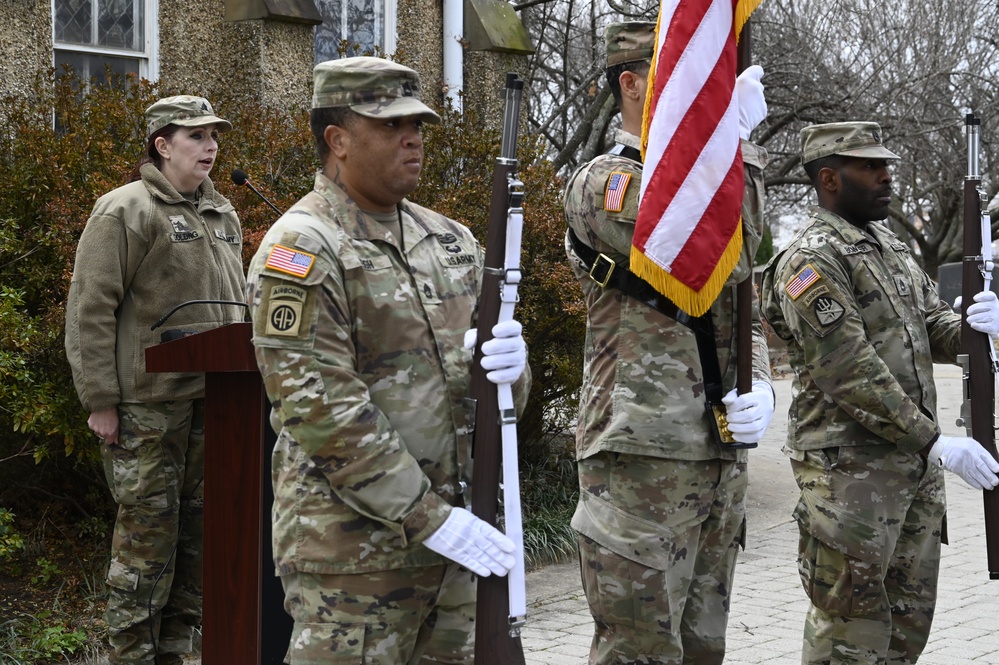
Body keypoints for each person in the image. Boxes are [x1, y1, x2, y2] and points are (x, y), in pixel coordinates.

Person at [245, 56, 530, 665]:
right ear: (338, 140)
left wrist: (513, 371)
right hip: (355, 560)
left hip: (461, 547)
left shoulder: (450, 239)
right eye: (391, 124)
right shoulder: (302, 248)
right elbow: (320, 407)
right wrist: (430, 518)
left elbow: (487, 401)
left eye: (418, 125)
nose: (413, 138)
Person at [562, 21, 775, 665]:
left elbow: (743, 306)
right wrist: (737, 146)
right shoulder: (604, 184)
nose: (707, 87)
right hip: (640, 459)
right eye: (688, 71)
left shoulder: (711, 177)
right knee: (641, 652)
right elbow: (732, 250)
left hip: (717, 454)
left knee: (704, 649)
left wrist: (761, 384)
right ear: (631, 84)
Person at [760, 121, 999, 665]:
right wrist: (935, 442)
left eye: (886, 164)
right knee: (849, 632)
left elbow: (931, 324)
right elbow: (847, 367)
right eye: (870, 166)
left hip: (911, 467)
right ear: (829, 178)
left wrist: (979, 327)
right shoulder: (811, 259)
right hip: (850, 474)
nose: (887, 175)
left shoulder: (887, 246)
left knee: (906, 630)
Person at [64, 95, 246, 664]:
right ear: (162, 145)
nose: (210, 146)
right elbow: (90, 309)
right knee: (147, 540)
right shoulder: (125, 209)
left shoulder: (223, 213)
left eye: (214, 136)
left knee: (197, 540)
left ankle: (173, 652)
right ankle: (131, 656)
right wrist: (100, 399)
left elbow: (237, 306)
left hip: (217, 401)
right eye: (196, 136)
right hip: (147, 406)